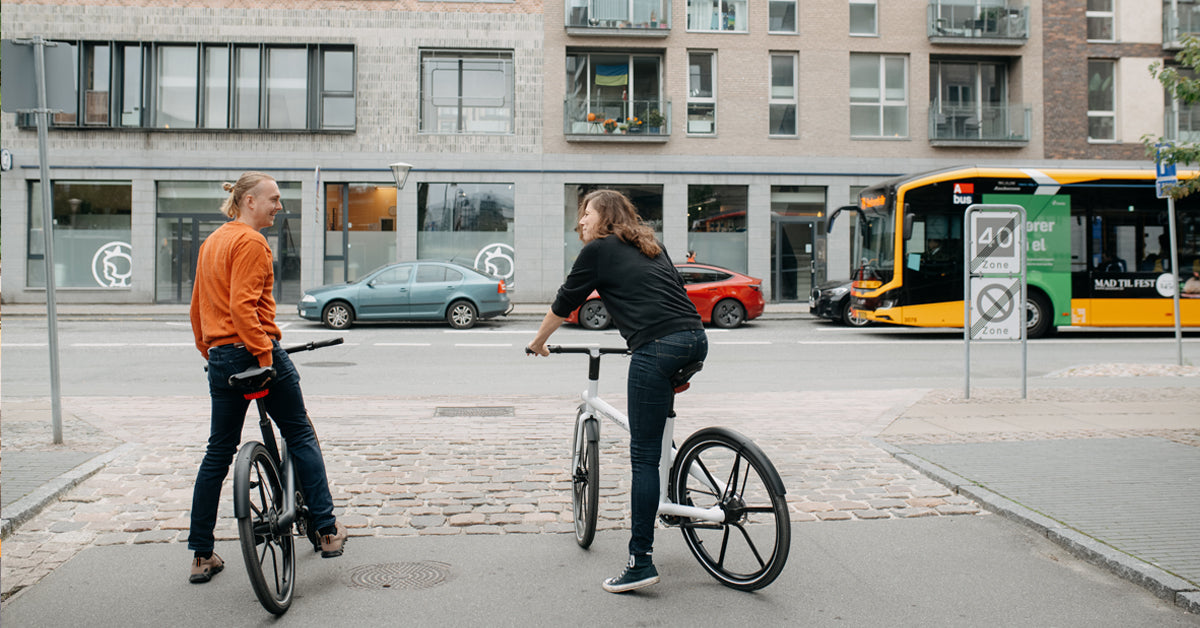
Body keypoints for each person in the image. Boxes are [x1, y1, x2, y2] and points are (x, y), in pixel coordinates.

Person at [527, 189, 708, 594]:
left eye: (586, 213)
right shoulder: (651, 244)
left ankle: (639, 562)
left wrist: (538, 340)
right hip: (694, 338)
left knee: (642, 458)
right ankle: (679, 496)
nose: (582, 221)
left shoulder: (599, 250)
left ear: (605, 215)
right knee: (655, 432)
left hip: (657, 346)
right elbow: (671, 290)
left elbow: (565, 300)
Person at [187, 172, 346, 584]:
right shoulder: (251, 241)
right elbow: (243, 309)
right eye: (273, 199)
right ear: (249, 201)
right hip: (254, 351)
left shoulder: (212, 242)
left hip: (222, 357)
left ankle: (202, 554)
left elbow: (197, 308)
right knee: (299, 431)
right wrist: (263, 356)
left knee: (218, 453)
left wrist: (212, 353)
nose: (279, 206)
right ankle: (327, 530)